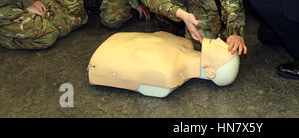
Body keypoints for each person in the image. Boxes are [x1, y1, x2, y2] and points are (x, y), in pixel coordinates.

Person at [88, 31, 241, 98]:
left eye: (223, 52)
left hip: (103, 59)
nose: (220, 42)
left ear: (211, 73)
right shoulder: (184, 42)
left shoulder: (168, 73)